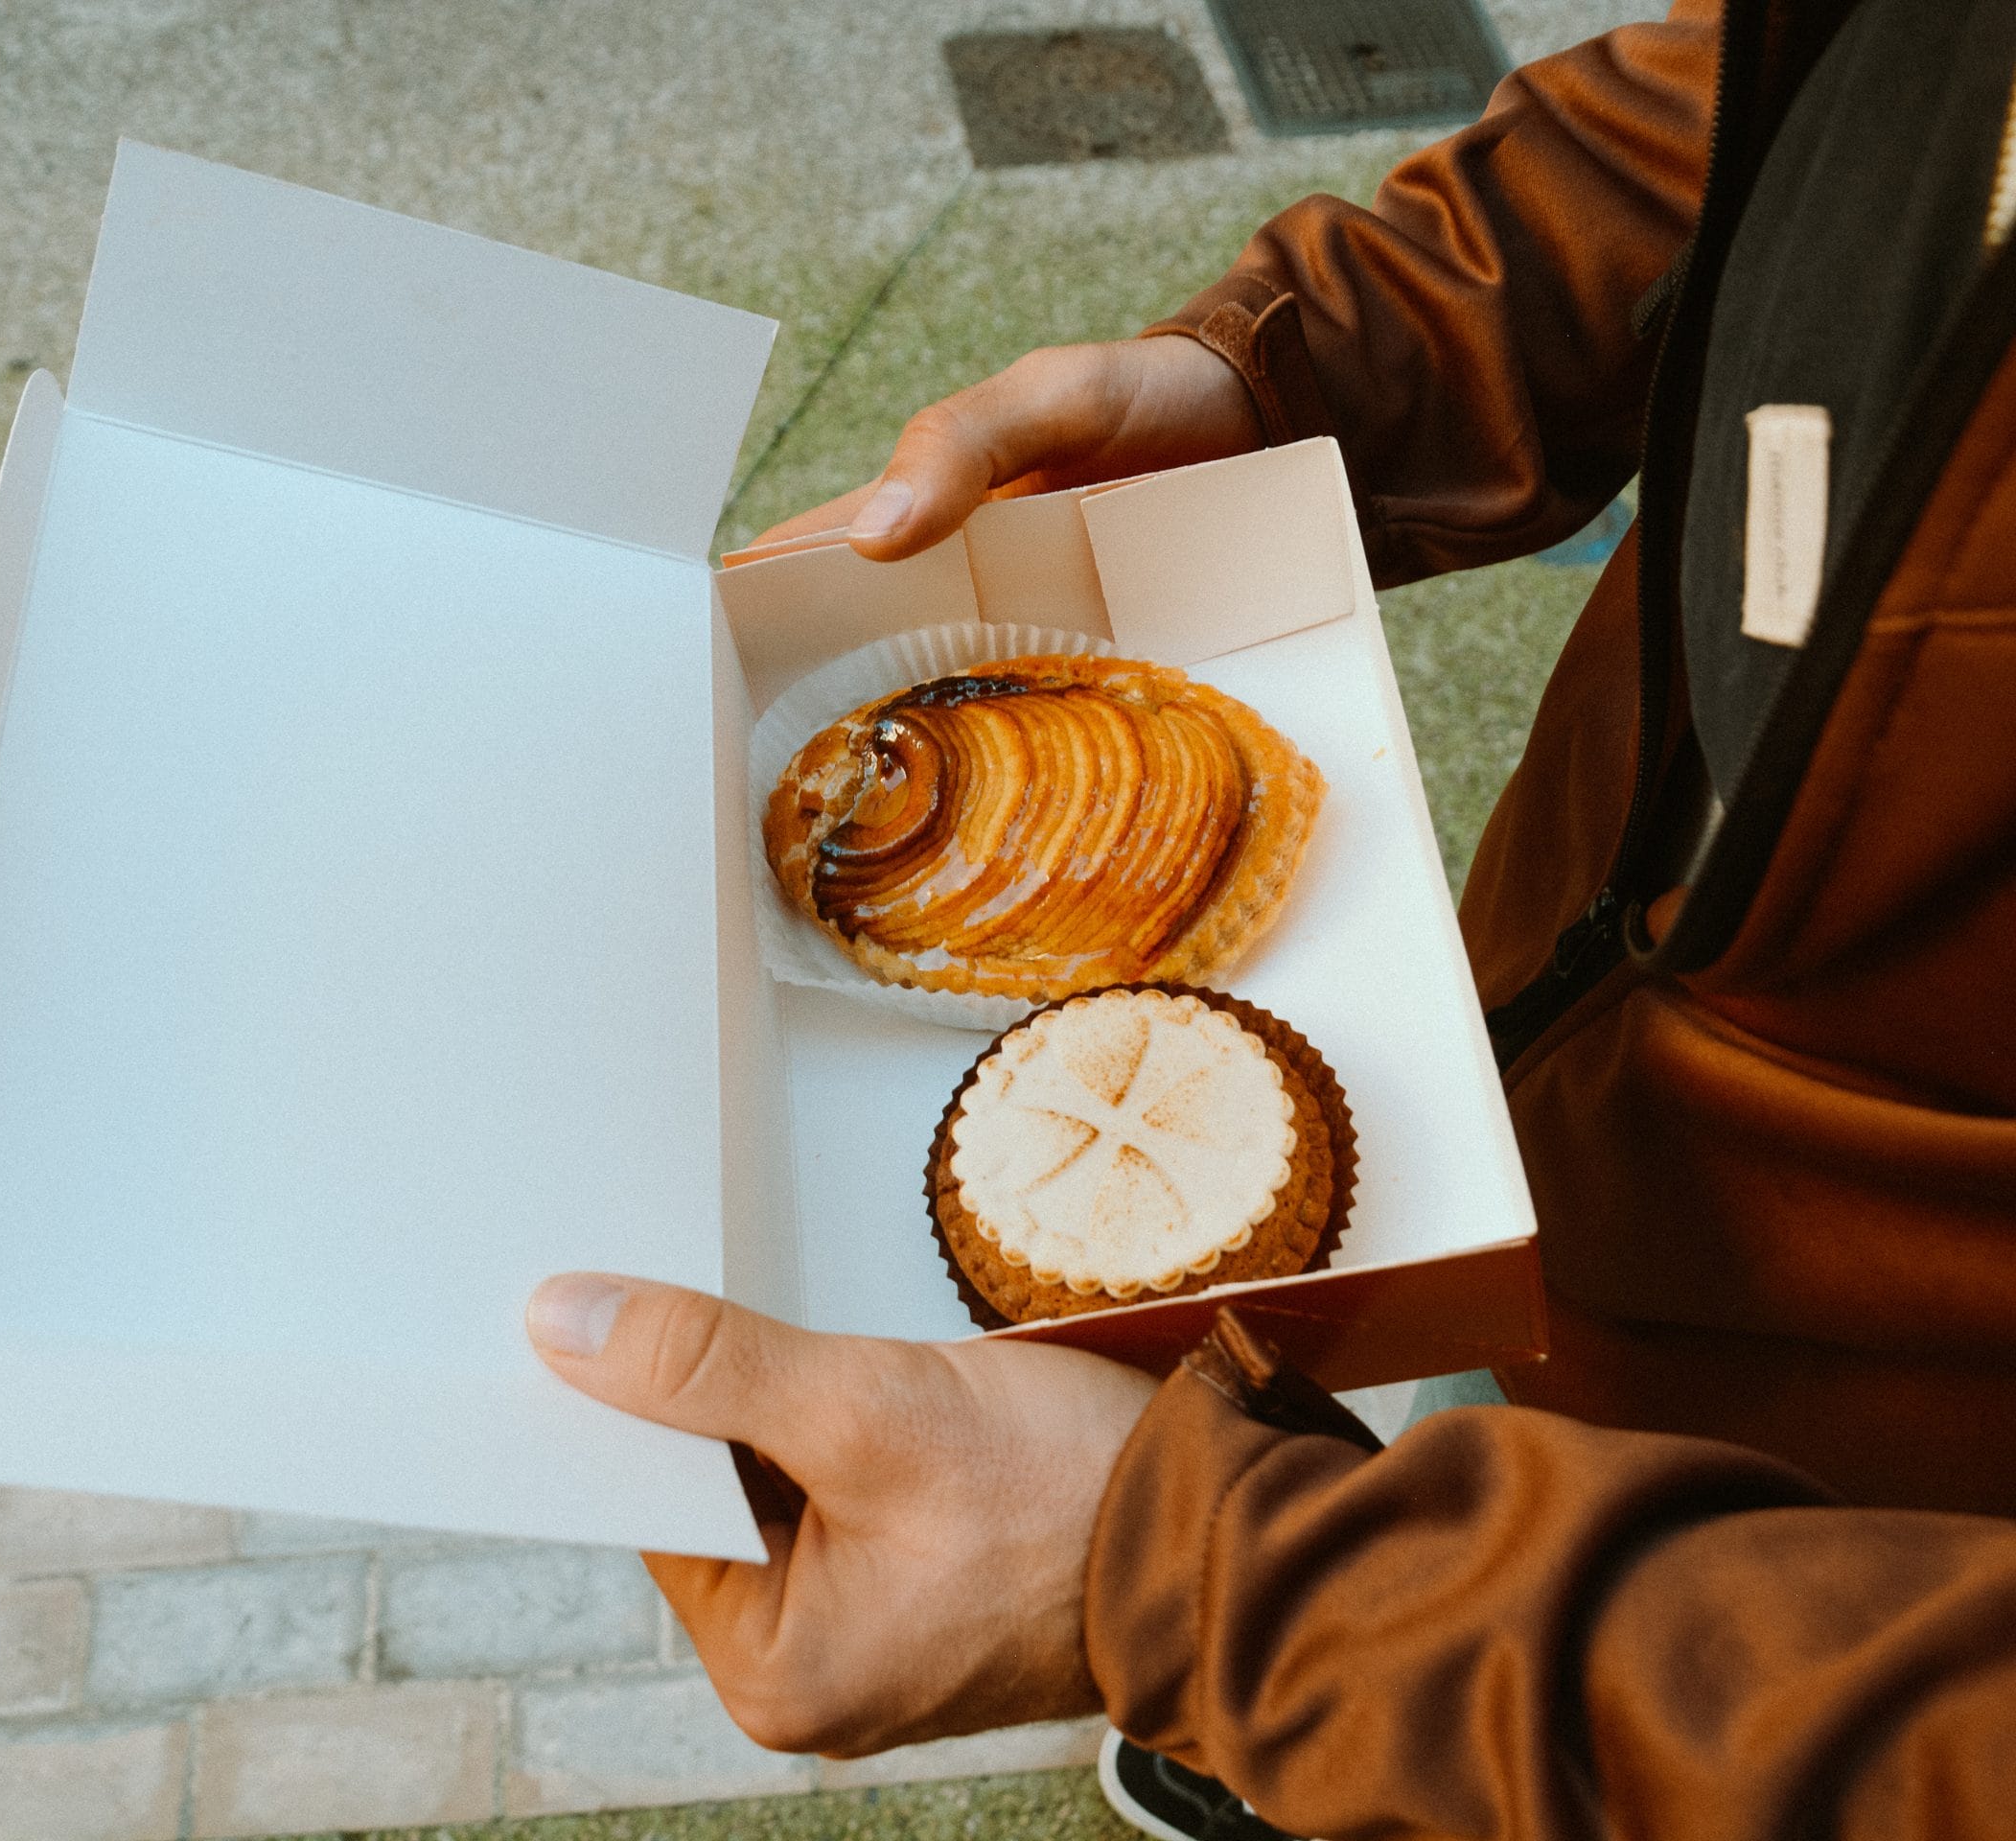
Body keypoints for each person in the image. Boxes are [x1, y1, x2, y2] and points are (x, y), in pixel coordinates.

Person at [527, 0, 2016, 1832]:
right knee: (1482, 1443)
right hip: (1588, 1127)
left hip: (1880, 1505)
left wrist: (1236, 1596)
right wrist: (1331, 368)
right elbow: (1826, 108)